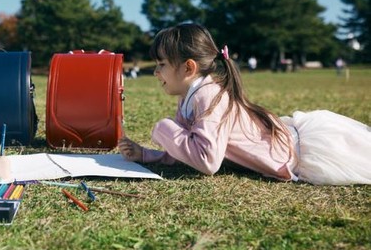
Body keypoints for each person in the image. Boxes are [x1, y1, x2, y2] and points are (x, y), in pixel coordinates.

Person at [118, 23, 371, 185]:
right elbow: (188, 151)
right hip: (290, 142)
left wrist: (163, 128)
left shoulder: (208, 96)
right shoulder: (189, 96)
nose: (156, 72)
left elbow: (206, 161)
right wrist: (146, 154)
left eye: (161, 64)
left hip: (302, 154)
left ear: (188, 67)